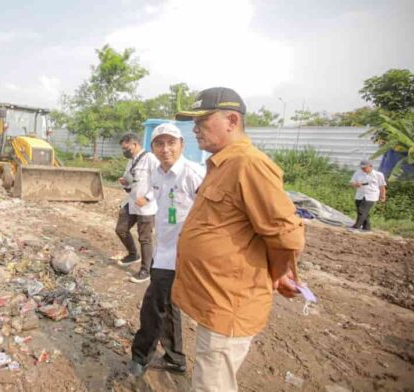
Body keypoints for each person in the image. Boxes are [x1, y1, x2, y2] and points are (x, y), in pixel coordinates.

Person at [172, 87, 305, 392]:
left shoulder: (249, 164)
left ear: (231, 120)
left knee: (212, 384)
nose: (194, 129)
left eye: (202, 121)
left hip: (230, 303)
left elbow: (286, 234)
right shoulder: (223, 163)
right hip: (216, 299)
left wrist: (280, 272)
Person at [129, 123, 204, 377]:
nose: (165, 149)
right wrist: (143, 198)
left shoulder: (193, 173)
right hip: (164, 251)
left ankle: (140, 356)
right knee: (168, 305)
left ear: (182, 144)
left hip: (181, 255)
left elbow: (212, 208)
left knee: (152, 305)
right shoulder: (158, 173)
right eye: (159, 144)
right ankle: (175, 358)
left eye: (171, 143)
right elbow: (155, 194)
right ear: (153, 148)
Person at [115, 133, 159, 283]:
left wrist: (147, 198)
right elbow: (130, 181)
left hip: (147, 206)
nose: (124, 151)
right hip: (132, 202)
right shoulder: (131, 161)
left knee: (145, 238)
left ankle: (146, 270)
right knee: (121, 229)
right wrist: (125, 183)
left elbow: (159, 182)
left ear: (134, 144)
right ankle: (133, 254)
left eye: (126, 148)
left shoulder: (150, 159)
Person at [349, 159, 387, 231]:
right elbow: (351, 183)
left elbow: (382, 186)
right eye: (362, 168)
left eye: (364, 168)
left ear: (371, 166)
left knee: (362, 210)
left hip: (371, 195)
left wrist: (383, 196)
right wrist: (355, 184)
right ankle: (367, 227)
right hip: (360, 194)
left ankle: (356, 226)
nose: (363, 169)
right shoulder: (357, 173)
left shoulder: (378, 175)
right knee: (362, 211)